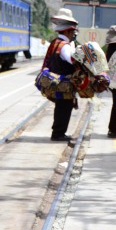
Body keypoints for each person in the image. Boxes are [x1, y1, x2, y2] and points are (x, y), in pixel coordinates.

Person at [44, 8, 78, 142]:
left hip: (56, 81)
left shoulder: (55, 42)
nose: (73, 34)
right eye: (72, 32)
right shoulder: (65, 46)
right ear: (68, 31)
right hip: (64, 83)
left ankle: (57, 131)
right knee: (64, 108)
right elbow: (72, 60)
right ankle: (58, 133)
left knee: (60, 107)